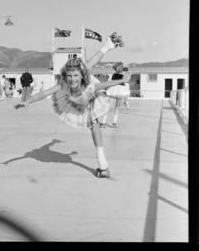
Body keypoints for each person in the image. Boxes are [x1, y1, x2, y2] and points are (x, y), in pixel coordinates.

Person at [15, 32, 130, 178]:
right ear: (65, 76)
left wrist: (121, 80)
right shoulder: (64, 83)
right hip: (74, 101)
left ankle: (103, 163)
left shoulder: (86, 79)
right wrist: (27, 101)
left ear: (81, 76)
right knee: (86, 69)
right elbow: (45, 93)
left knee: (94, 124)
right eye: (69, 76)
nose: (72, 79)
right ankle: (108, 45)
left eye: (75, 76)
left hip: (89, 97)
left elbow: (105, 82)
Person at [100, 62, 130, 128]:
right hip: (121, 91)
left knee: (108, 107)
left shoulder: (113, 75)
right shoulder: (124, 74)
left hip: (113, 90)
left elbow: (110, 82)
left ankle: (103, 122)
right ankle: (114, 123)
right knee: (117, 108)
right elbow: (126, 81)